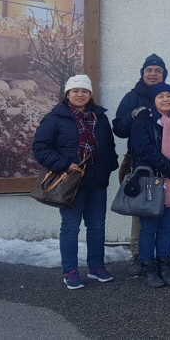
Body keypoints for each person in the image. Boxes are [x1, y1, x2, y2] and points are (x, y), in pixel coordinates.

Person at [112, 54, 170, 274]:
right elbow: (119, 129)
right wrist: (133, 117)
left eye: (158, 70)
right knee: (142, 210)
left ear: (164, 74)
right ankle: (139, 255)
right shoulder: (132, 97)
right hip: (142, 163)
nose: (153, 74)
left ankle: (164, 254)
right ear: (142, 73)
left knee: (167, 212)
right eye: (149, 70)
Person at [33, 75, 118, 290]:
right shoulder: (55, 117)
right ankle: (70, 271)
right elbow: (41, 147)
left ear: (90, 94)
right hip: (70, 182)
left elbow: (109, 145)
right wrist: (65, 164)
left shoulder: (100, 117)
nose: (80, 94)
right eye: (75, 91)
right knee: (70, 228)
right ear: (68, 94)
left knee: (97, 227)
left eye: (84, 91)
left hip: (97, 182)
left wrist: (110, 165)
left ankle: (96, 267)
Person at [129, 82, 170, 287]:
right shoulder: (144, 120)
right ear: (154, 100)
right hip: (150, 179)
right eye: (160, 96)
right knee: (148, 227)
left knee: (166, 225)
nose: (165, 99)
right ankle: (148, 268)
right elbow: (142, 146)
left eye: (169, 96)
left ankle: (164, 265)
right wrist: (165, 164)